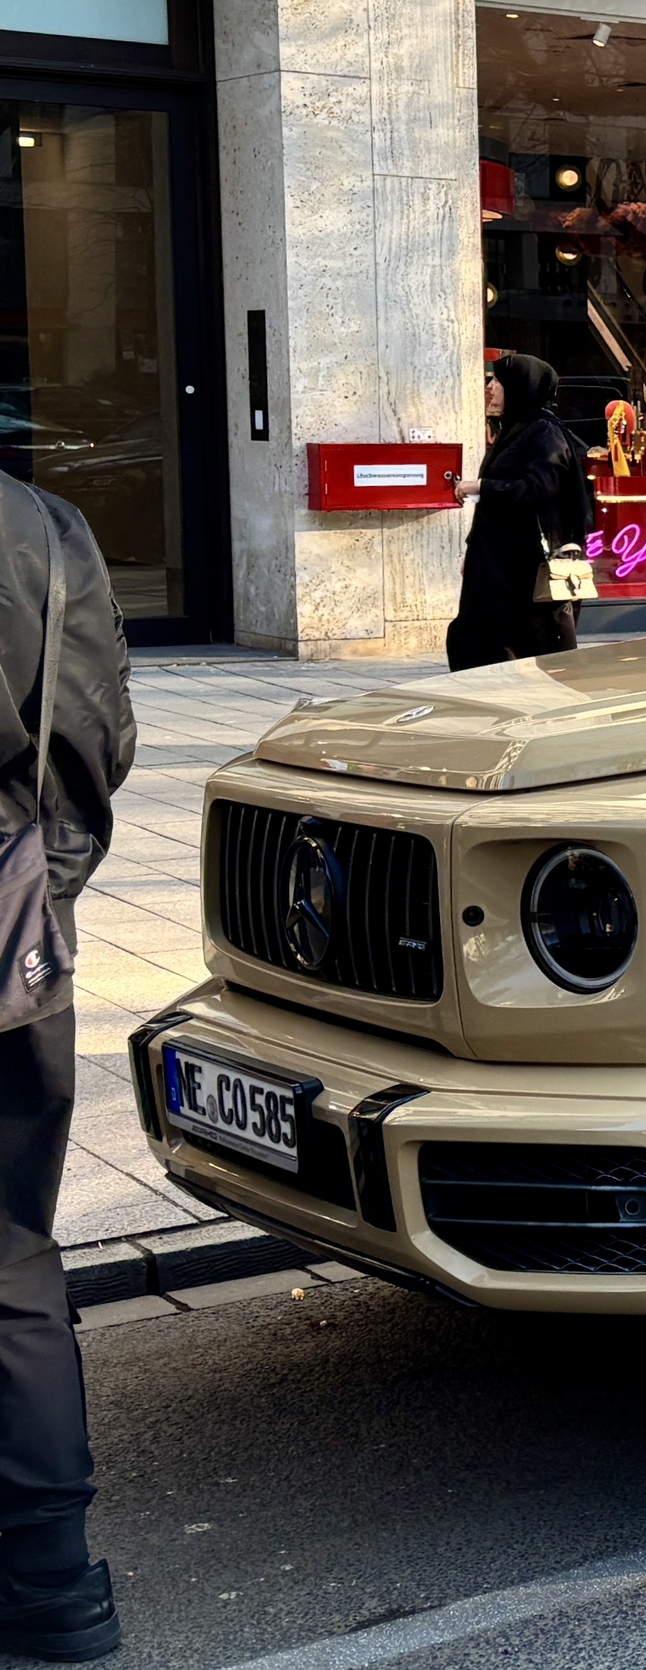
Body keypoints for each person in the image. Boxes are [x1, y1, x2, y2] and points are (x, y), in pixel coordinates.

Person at [0, 472, 135, 1663]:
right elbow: (96, 734)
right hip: (9, 942)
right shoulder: (40, 527)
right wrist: (47, 885)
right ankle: (51, 1578)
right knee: (12, 1257)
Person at [446, 353, 592, 671]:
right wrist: (474, 553)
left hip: (524, 568)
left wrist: (481, 486)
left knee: (522, 643)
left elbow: (538, 487)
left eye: (498, 381)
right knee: (480, 638)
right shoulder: (516, 430)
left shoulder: (544, 433)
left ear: (519, 387)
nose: (490, 387)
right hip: (497, 562)